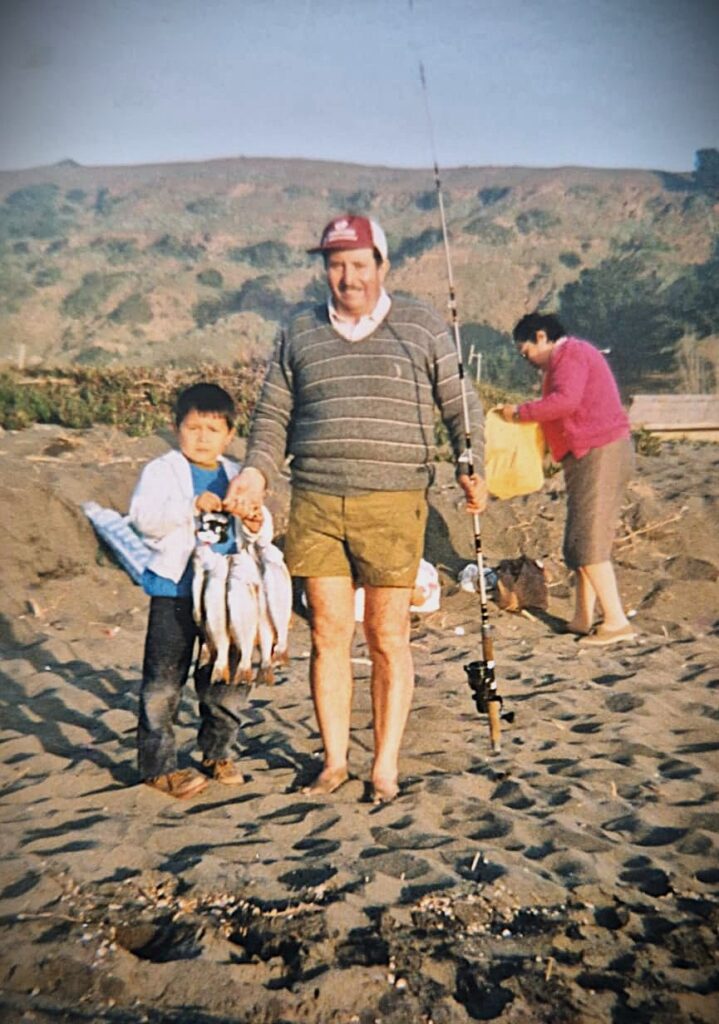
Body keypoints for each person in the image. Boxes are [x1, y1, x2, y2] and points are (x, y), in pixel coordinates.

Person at [225, 214, 486, 802]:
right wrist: (254, 473)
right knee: (328, 633)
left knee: (388, 634)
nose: (348, 277)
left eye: (359, 264)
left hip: (394, 501)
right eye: (336, 264)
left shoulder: (420, 326)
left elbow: (460, 405)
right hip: (316, 498)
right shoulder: (298, 331)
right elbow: (272, 418)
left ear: (382, 266)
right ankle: (335, 762)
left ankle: (384, 768)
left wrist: (471, 465)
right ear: (325, 269)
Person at [130, 382, 255, 799]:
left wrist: (255, 520)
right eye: (194, 427)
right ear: (176, 427)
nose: (203, 437)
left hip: (226, 595)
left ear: (230, 435)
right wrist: (190, 506)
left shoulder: (237, 474)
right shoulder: (161, 471)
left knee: (229, 680)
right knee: (163, 684)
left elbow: (258, 532)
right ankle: (158, 765)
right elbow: (143, 520)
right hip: (174, 590)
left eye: (213, 429)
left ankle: (216, 751)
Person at [499, 312, 635, 646]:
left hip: (598, 450)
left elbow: (565, 401)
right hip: (593, 451)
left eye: (525, 350)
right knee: (584, 538)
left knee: (586, 540)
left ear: (541, 337)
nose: (526, 359)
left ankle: (616, 621)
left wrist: (519, 412)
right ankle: (582, 617)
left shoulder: (570, 355)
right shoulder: (573, 355)